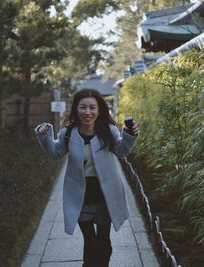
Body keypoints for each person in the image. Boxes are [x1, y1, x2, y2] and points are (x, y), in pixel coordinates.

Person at [35, 88, 139, 267]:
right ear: (76, 109)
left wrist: (130, 135)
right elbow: (55, 153)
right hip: (81, 197)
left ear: (99, 110)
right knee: (90, 242)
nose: (87, 112)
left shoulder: (109, 131)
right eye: (83, 107)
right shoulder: (68, 133)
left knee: (104, 244)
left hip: (105, 196)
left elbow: (121, 152)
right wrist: (45, 136)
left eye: (92, 108)